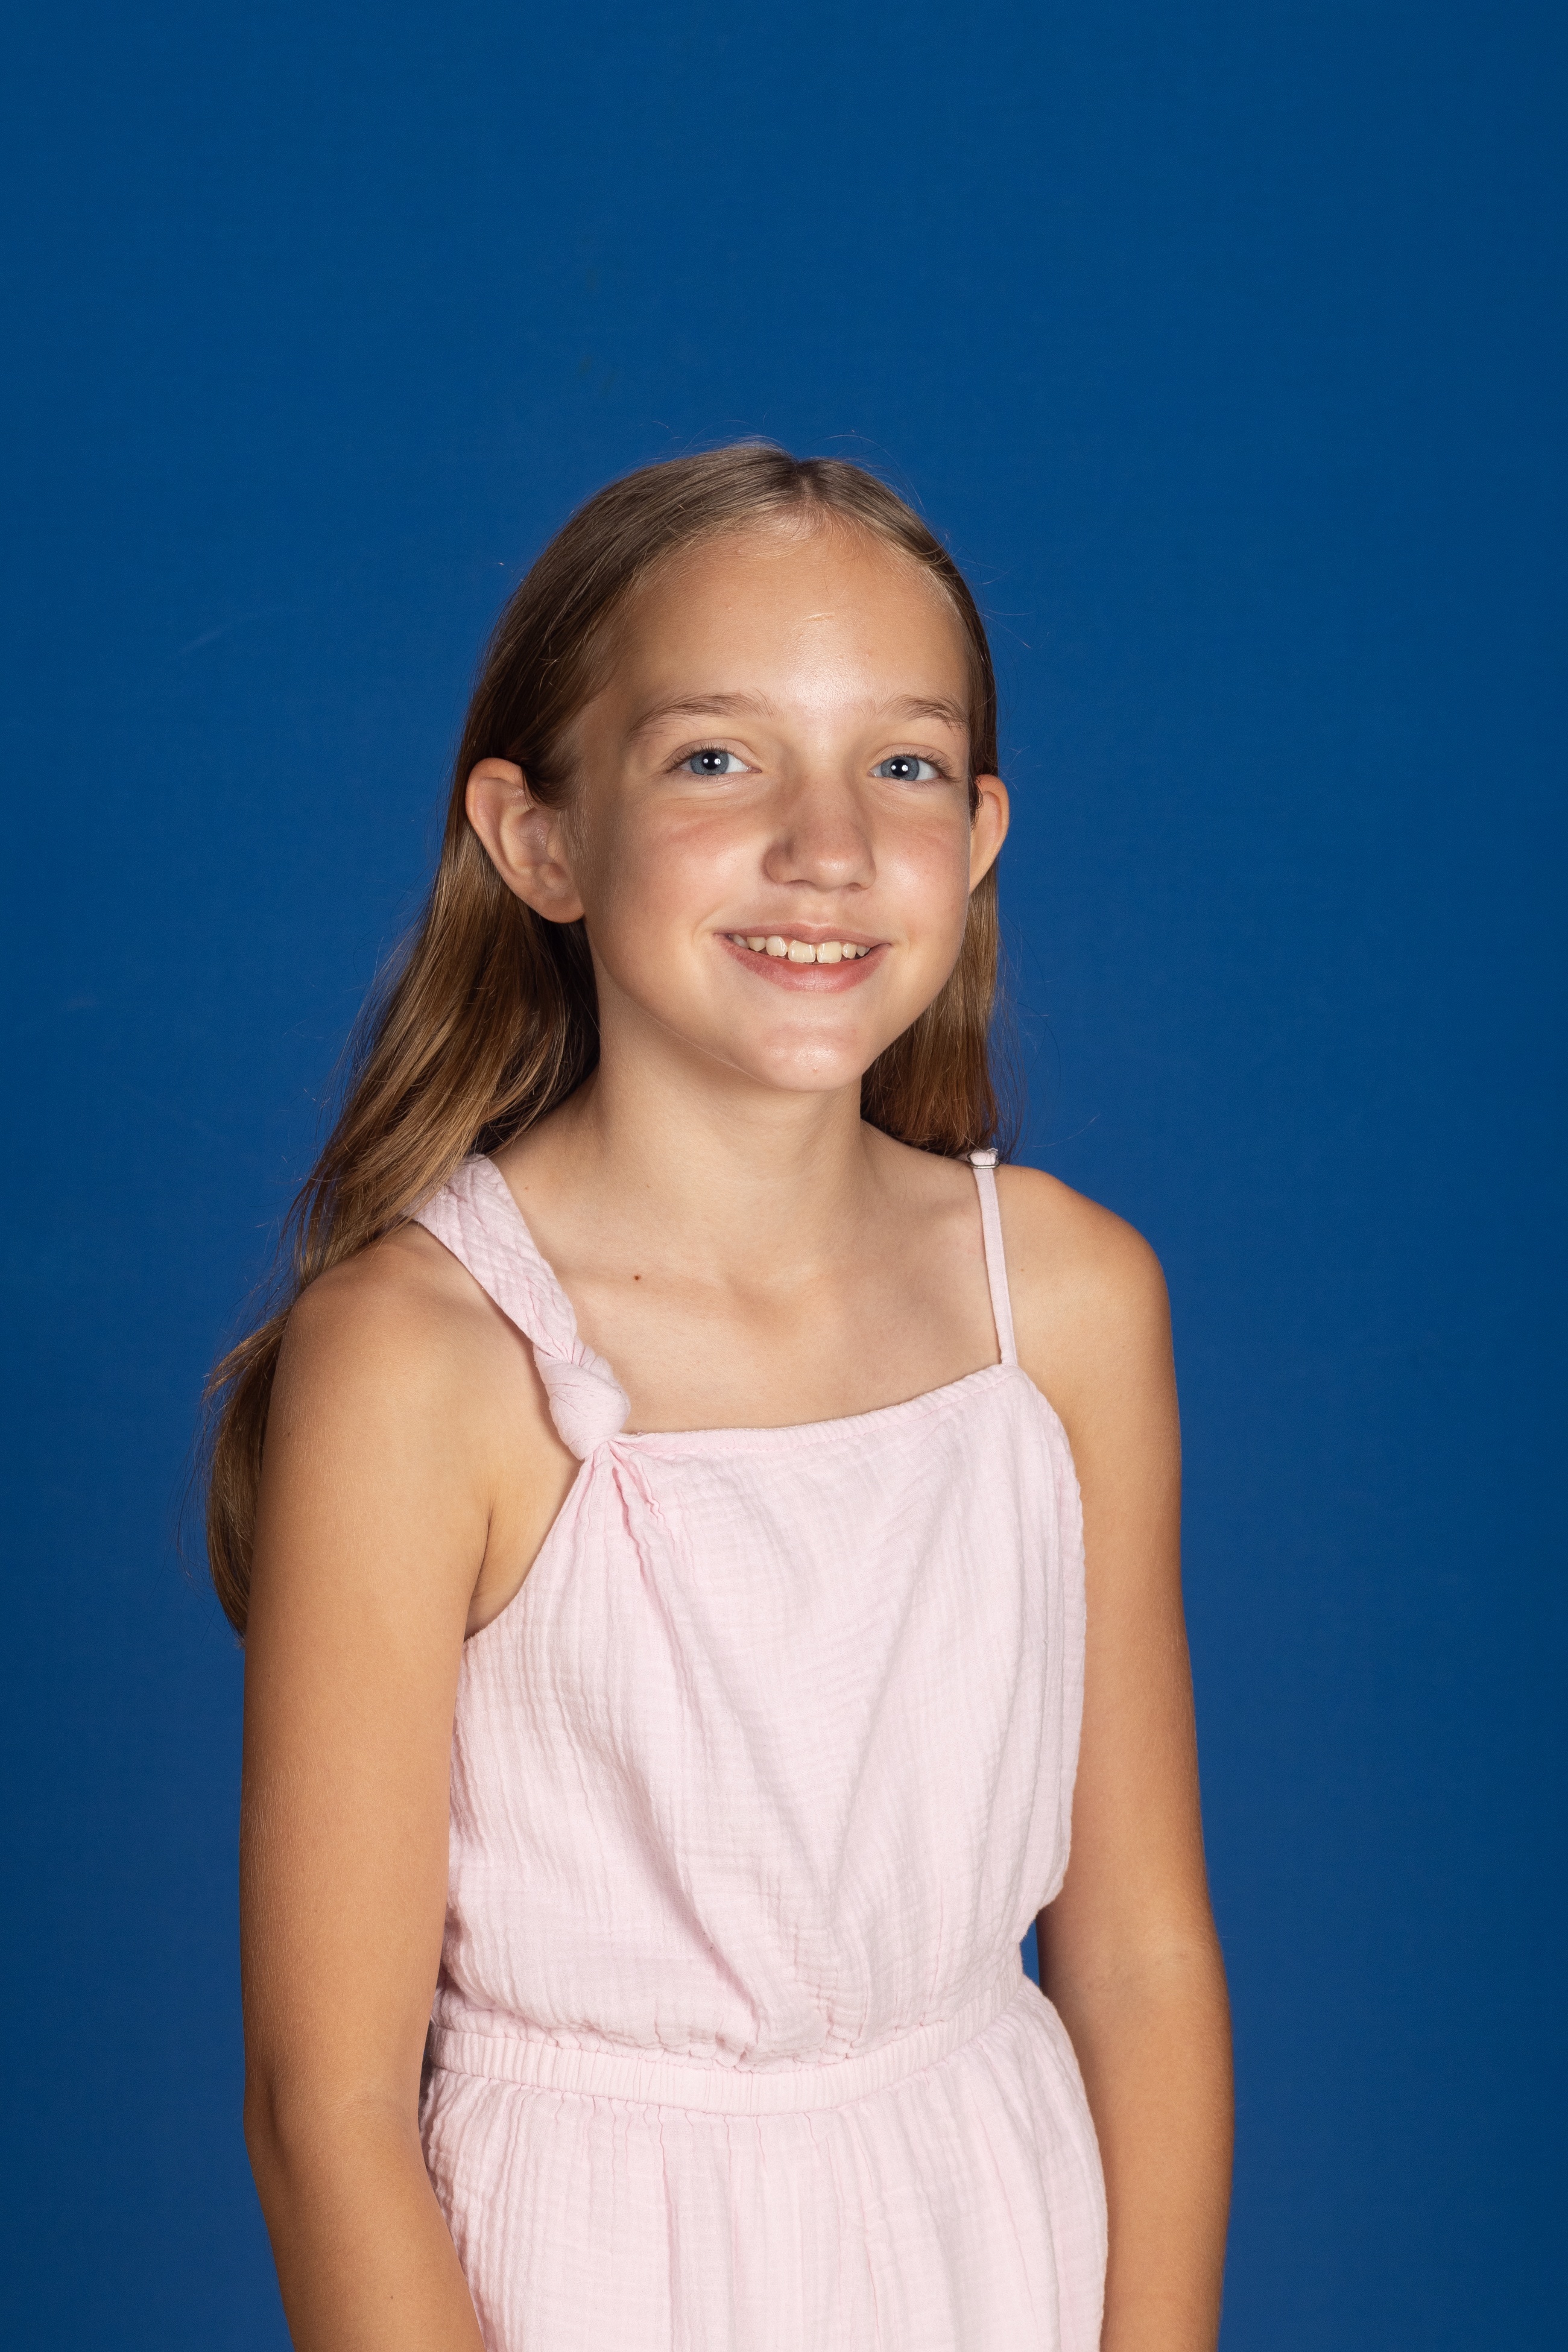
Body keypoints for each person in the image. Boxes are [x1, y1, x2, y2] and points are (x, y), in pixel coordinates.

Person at [207, 444, 1233, 2351]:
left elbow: (1143, 1954)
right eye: (715, 757)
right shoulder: (427, 1363)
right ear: (539, 840)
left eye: (902, 764)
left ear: (981, 835)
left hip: (993, 2242)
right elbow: (323, 2106)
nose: (825, 845)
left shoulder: (1069, 1306)